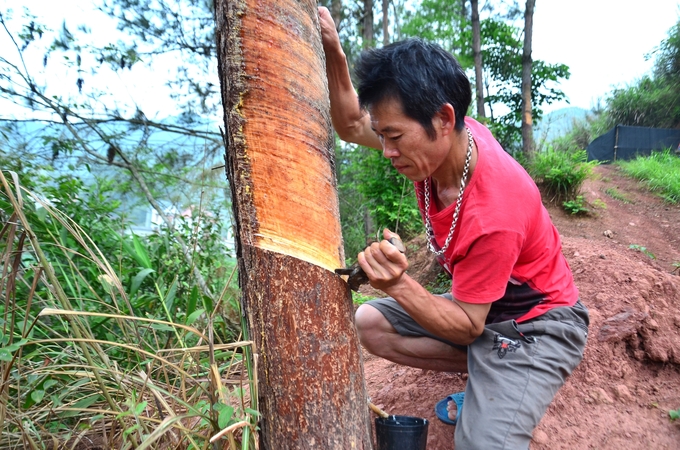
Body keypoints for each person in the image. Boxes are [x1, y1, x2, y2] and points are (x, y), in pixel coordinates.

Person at [318, 7, 589, 450]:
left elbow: (465, 325)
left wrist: (399, 285)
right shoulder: (442, 145)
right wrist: (334, 51)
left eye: (394, 137)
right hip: (487, 310)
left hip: (538, 325)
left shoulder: (495, 208)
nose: (385, 150)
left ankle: (503, 380)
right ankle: (492, 377)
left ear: (443, 120)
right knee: (370, 323)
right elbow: (350, 124)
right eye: (382, 135)